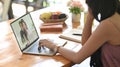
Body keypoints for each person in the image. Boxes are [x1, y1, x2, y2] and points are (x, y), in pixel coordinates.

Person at [39, 0, 120, 67]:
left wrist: (54, 46)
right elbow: (85, 44)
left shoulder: (108, 25)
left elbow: (77, 58)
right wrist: (90, 16)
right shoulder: (115, 14)